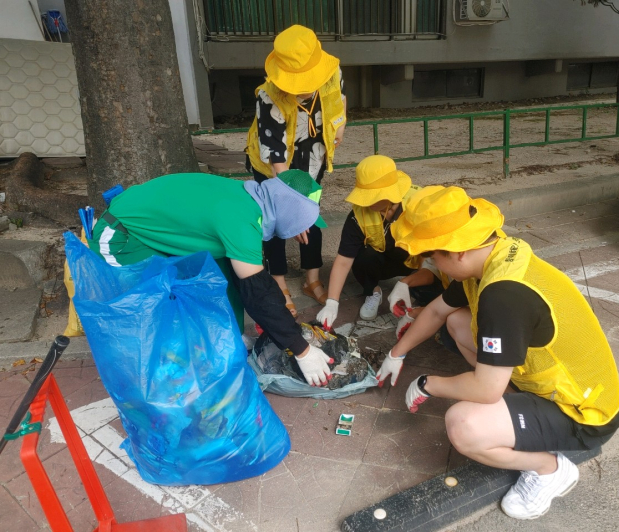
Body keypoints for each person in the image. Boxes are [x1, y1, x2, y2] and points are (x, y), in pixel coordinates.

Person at [377, 186, 619, 520]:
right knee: (459, 322)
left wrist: (427, 383)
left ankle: (548, 469)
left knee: (463, 424)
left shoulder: (502, 296)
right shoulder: (494, 254)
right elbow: (435, 312)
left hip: (583, 412)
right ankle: (520, 417)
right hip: (557, 382)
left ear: (458, 252)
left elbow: (485, 389)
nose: (436, 267)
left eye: (435, 258)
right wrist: (397, 353)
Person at [87, 170, 334, 387]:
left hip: (150, 229)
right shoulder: (240, 219)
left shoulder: (252, 198)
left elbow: (240, 282)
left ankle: (226, 340)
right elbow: (258, 292)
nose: (304, 229)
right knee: (160, 309)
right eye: (302, 219)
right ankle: (165, 383)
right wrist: (302, 350)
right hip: (121, 237)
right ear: (289, 210)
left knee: (224, 274)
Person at [245, 24, 347, 318]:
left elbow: (340, 101)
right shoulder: (268, 97)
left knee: (312, 217)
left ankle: (311, 279)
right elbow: (276, 156)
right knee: (275, 223)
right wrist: (292, 207)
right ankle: (278, 281)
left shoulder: (332, 73)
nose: (302, 87)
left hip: (311, 159)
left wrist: (341, 126)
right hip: (274, 168)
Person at [316, 155, 420, 329]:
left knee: (432, 280)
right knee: (363, 255)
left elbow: (432, 257)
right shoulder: (358, 216)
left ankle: (418, 298)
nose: (365, 200)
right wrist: (332, 302)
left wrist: (408, 283)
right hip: (381, 261)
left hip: (415, 260)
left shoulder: (417, 204)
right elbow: (343, 262)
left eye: (372, 195)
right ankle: (373, 291)